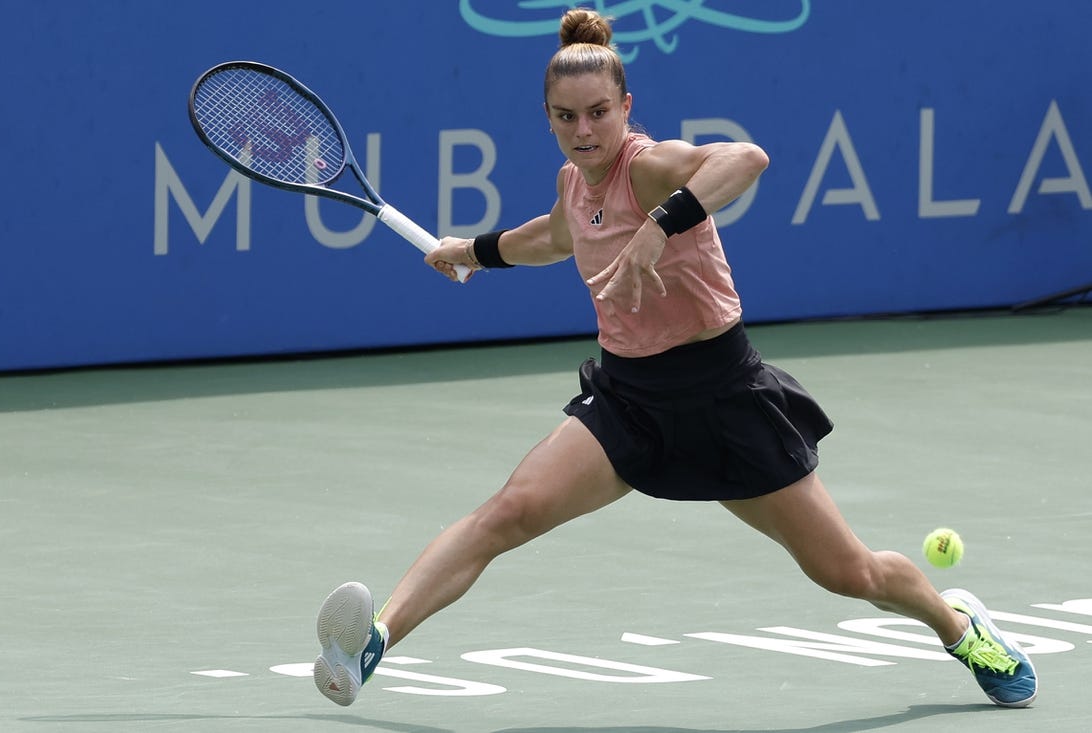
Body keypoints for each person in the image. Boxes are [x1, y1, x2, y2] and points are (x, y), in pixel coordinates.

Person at [312, 8, 1037, 711]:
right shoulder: (574, 182)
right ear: (549, 118)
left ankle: (961, 627)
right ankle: (371, 644)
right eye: (565, 117)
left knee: (849, 572)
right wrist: (469, 251)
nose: (583, 131)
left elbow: (745, 157)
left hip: (724, 397)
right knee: (509, 512)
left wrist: (660, 230)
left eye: (598, 112)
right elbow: (557, 236)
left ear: (626, 106)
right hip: (629, 401)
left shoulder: (651, 168)